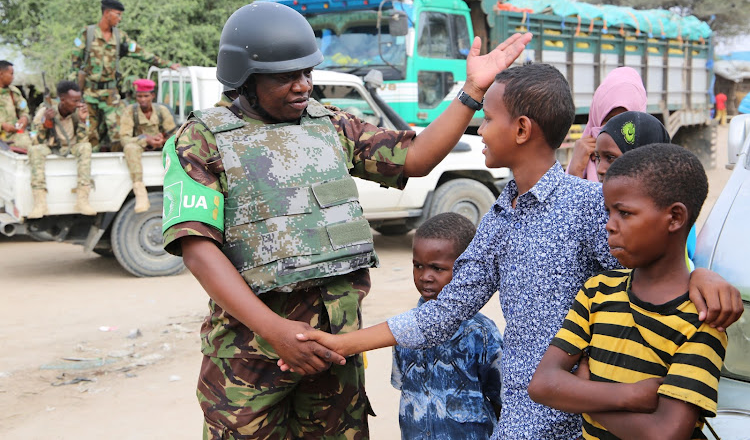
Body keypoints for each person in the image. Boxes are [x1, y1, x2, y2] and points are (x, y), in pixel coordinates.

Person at [288, 63, 743, 439]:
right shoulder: (500, 217)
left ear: (522, 128)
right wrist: (342, 343)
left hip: (584, 422)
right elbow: (443, 313)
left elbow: (648, 271)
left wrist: (698, 276)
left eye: (487, 118)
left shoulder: (585, 206)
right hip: (521, 419)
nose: (479, 128)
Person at [160, 0, 532, 439]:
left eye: (307, 73)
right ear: (246, 77)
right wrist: (275, 331)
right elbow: (197, 249)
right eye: (286, 76)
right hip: (250, 359)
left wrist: (470, 93)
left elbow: (415, 157)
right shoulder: (201, 139)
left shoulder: (329, 124)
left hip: (335, 353)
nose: (302, 86)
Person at [528, 144, 727, 440]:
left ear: (674, 218)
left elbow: (664, 434)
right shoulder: (598, 291)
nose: (609, 225)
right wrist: (630, 395)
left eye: (624, 213)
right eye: (609, 212)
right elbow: (542, 385)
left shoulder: (702, 317)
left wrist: (588, 399)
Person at [392, 212, 503, 440]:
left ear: (466, 270)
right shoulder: (403, 329)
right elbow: (403, 386)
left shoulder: (481, 333)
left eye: (437, 268)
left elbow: (501, 397)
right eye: (418, 266)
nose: (425, 276)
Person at [70, 0, 180, 151]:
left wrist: (167, 64)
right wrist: (75, 95)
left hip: (110, 94)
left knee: (118, 134)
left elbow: (141, 53)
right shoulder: (87, 34)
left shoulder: (120, 37)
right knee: (89, 134)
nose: (120, 19)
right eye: (118, 15)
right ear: (107, 13)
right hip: (89, 92)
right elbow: (74, 65)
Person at [594, 111, 697, 269]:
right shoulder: (597, 203)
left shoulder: (671, 213)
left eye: (611, 158)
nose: (600, 169)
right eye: (597, 158)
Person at [28, 80, 95, 218]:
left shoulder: (78, 112)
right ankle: (40, 203)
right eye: (74, 101)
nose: (78, 104)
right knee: (34, 150)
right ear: (62, 100)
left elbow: (83, 140)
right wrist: (46, 124)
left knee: (86, 147)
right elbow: (35, 140)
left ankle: (82, 199)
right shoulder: (45, 110)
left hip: (71, 146)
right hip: (51, 146)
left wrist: (82, 121)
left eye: (79, 100)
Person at [566, 66, 647, 181]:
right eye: (610, 120)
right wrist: (576, 171)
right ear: (596, 116)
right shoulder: (579, 161)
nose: (601, 170)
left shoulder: (649, 174)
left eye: (626, 123)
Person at [120, 78, 176, 213]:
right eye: (139, 96)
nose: (143, 99)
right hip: (140, 145)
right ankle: (140, 192)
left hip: (161, 144)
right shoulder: (130, 111)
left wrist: (163, 140)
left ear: (152, 95)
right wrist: (145, 139)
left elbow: (174, 133)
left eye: (146, 96)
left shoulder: (161, 110)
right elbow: (124, 138)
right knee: (130, 148)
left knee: (178, 146)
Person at [0, 60, 32, 152]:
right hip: (1, 136)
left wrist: (24, 117)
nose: (13, 77)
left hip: (15, 133)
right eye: (11, 74)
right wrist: (2, 125)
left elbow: (23, 107)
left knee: (29, 146)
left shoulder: (14, 92)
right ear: (1, 74)